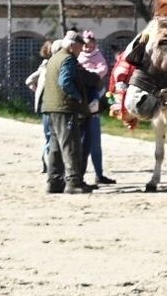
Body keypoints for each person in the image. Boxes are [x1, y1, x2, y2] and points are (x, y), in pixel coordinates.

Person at [40, 30, 95, 194]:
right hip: (65, 108)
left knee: (55, 147)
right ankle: (73, 182)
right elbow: (65, 82)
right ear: (72, 46)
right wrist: (78, 98)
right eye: (79, 47)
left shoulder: (53, 58)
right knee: (71, 145)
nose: (80, 51)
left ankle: (54, 182)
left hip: (50, 107)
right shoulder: (68, 59)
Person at [78, 30, 114, 185]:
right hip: (81, 101)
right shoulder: (78, 57)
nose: (87, 47)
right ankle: (78, 175)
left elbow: (102, 70)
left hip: (94, 94)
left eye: (89, 44)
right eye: (84, 44)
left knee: (94, 143)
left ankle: (99, 173)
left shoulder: (98, 56)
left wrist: (90, 73)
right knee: (80, 142)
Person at [25, 41, 54, 171]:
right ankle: (48, 162)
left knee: (49, 135)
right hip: (48, 104)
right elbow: (29, 81)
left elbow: (29, 81)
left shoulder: (43, 66)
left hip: (46, 104)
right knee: (50, 135)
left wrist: (36, 90)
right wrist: (38, 90)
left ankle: (45, 160)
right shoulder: (47, 66)